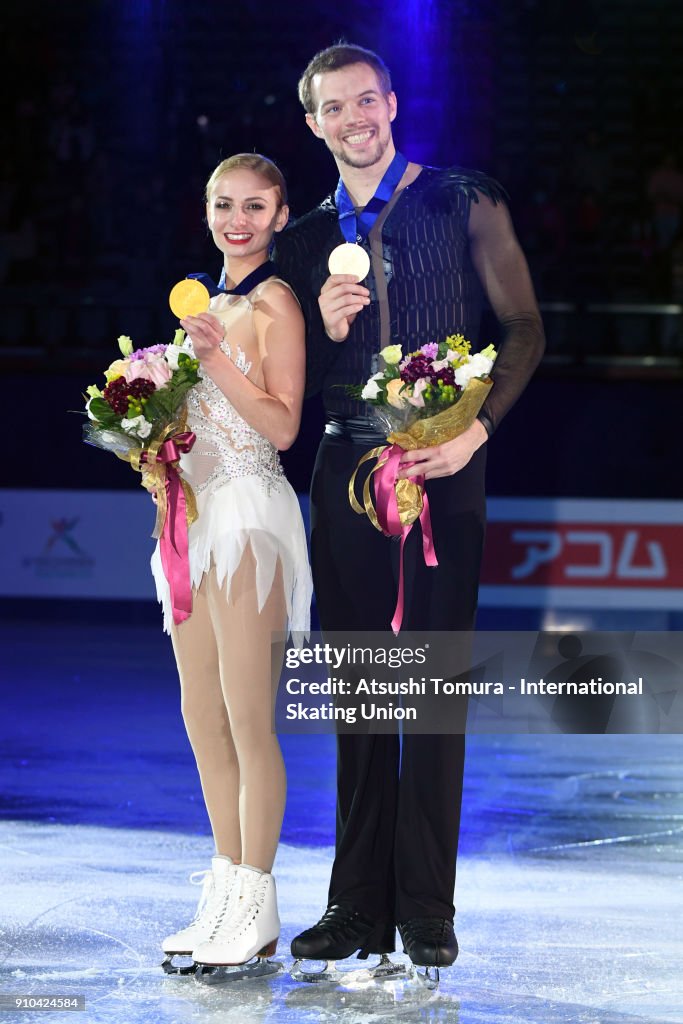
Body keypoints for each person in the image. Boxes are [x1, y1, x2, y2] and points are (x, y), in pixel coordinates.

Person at [275, 44, 545, 972]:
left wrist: (477, 434)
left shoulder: (464, 198)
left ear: (391, 103)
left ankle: (427, 907)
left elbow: (523, 328)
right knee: (358, 687)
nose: (356, 120)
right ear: (312, 124)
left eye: (367, 102)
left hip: (443, 461)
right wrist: (326, 325)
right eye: (334, 109)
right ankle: (355, 903)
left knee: (429, 691)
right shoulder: (302, 237)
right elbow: (285, 389)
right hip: (342, 469)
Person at [153, 153, 312, 973]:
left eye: (255, 205)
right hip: (191, 522)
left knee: (249, 719)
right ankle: (224, 886)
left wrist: (211, 357)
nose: (237, 219)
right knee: (200, 715)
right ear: (207, 210)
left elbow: (283, 428)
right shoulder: (206, 304)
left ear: (281, 216)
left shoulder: (273, 302)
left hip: (250, 518)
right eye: (224, 204)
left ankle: (257, 898)